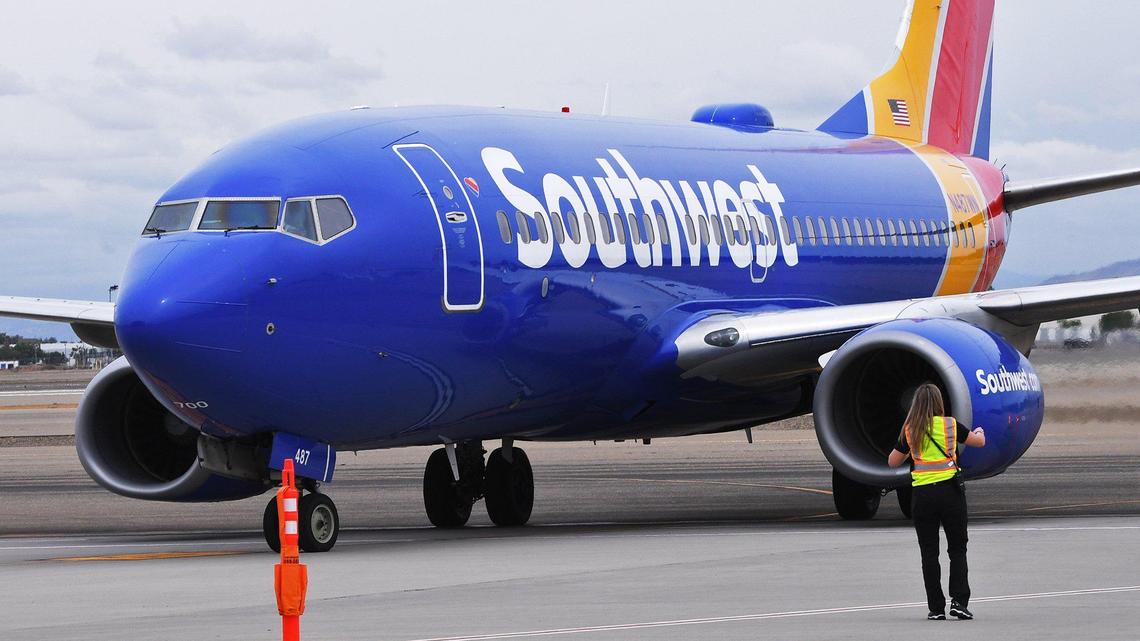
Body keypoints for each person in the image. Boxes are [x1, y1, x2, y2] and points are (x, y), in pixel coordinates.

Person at [888, 383, 986, 621]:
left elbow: (893, 462)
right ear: (939, 402)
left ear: (916, 404)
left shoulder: (911, 429)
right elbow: (978, 442)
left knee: (929, 552)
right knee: (957, 549)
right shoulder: (950, 425)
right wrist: (980, 432)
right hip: (950, 493)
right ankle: (959, 602)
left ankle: (936, 608)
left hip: (922, 496)